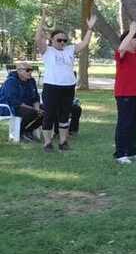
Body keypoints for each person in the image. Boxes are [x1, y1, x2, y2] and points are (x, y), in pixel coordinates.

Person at [34, 10, 96, 152]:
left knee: (64, 116)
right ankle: (47, 143)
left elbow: (85, 43)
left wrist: (90, 28)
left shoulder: (70, 49)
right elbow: (38, 38)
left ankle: (63, 142)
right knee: (49, 115)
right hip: (52, 87)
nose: (62, 42)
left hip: (68, 87)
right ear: (52, 40)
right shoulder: (47, 50)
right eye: (59, 40)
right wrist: (43, 19)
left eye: (64, 40)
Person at [113, 21, 136, 165]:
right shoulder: (122, 54)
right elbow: (121, 47)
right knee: (124, 123)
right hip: (125, 94)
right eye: (135, 38)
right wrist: (130, 32)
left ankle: (132, 151)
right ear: (128, 40)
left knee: (133, 122)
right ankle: (120, 153)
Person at [0, 62, 43, 142]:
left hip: (26, 106)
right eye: (27, 70)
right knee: (33, 112)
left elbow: (35, 97)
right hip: (10, 107)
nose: (30, 72)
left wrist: (37, 108)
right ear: (19, 71)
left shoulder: (31, 81)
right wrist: (35, 110)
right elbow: (14, 101)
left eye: (31, 70)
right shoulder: (11, 82)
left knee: (48, 111)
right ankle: (19, 132)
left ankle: (28, 131)